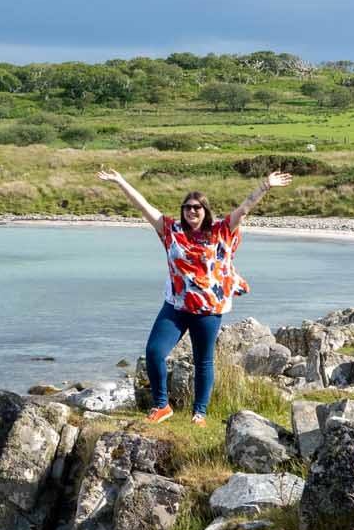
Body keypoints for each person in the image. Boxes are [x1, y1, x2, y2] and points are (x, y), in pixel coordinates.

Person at [95, 166, 292, 424]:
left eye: (197, 207)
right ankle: (161, 406)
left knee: (203, 361)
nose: (191, 211)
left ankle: (199, 413)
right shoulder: (171, 231)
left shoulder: (221, 230)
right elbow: (143, 206)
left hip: (208, 309)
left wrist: (265, 186)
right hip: (176, 306)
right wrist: (121, 180)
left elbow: (244, 209)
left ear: (205, 210)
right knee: (154, 351)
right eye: (187, 207)